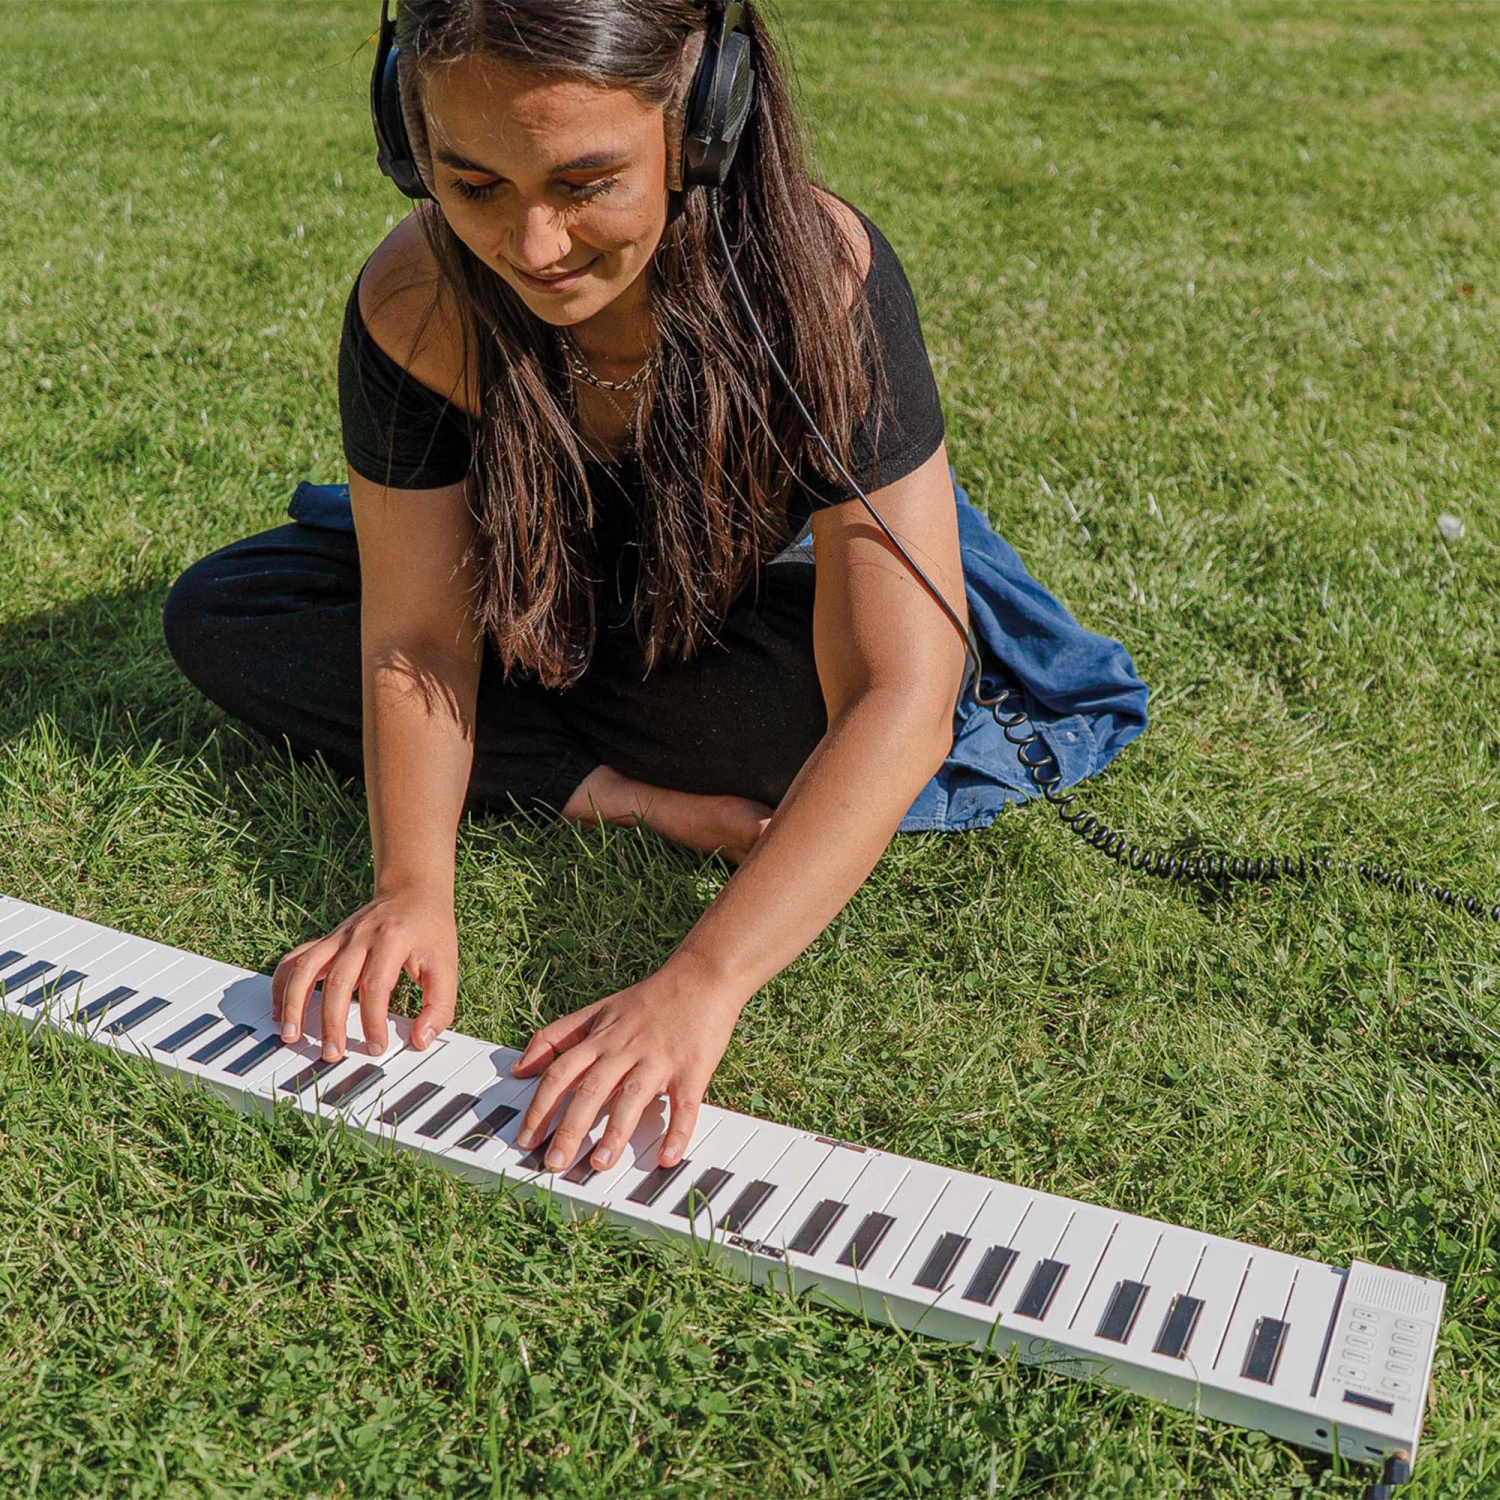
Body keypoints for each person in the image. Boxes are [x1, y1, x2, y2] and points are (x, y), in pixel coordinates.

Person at [163, 0, 1144, 1179]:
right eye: (471, 185)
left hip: (754, 593)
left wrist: (701, 984)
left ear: (705, 126)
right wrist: (412, 885)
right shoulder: (415, 301)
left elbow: (900, 685)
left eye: (585, 183)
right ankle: (631, 794)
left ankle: (594, 735)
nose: (532, 248)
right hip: (556, 578)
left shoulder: (817, 285)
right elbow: (420, 630)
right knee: (228, 613)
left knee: (789, 715)